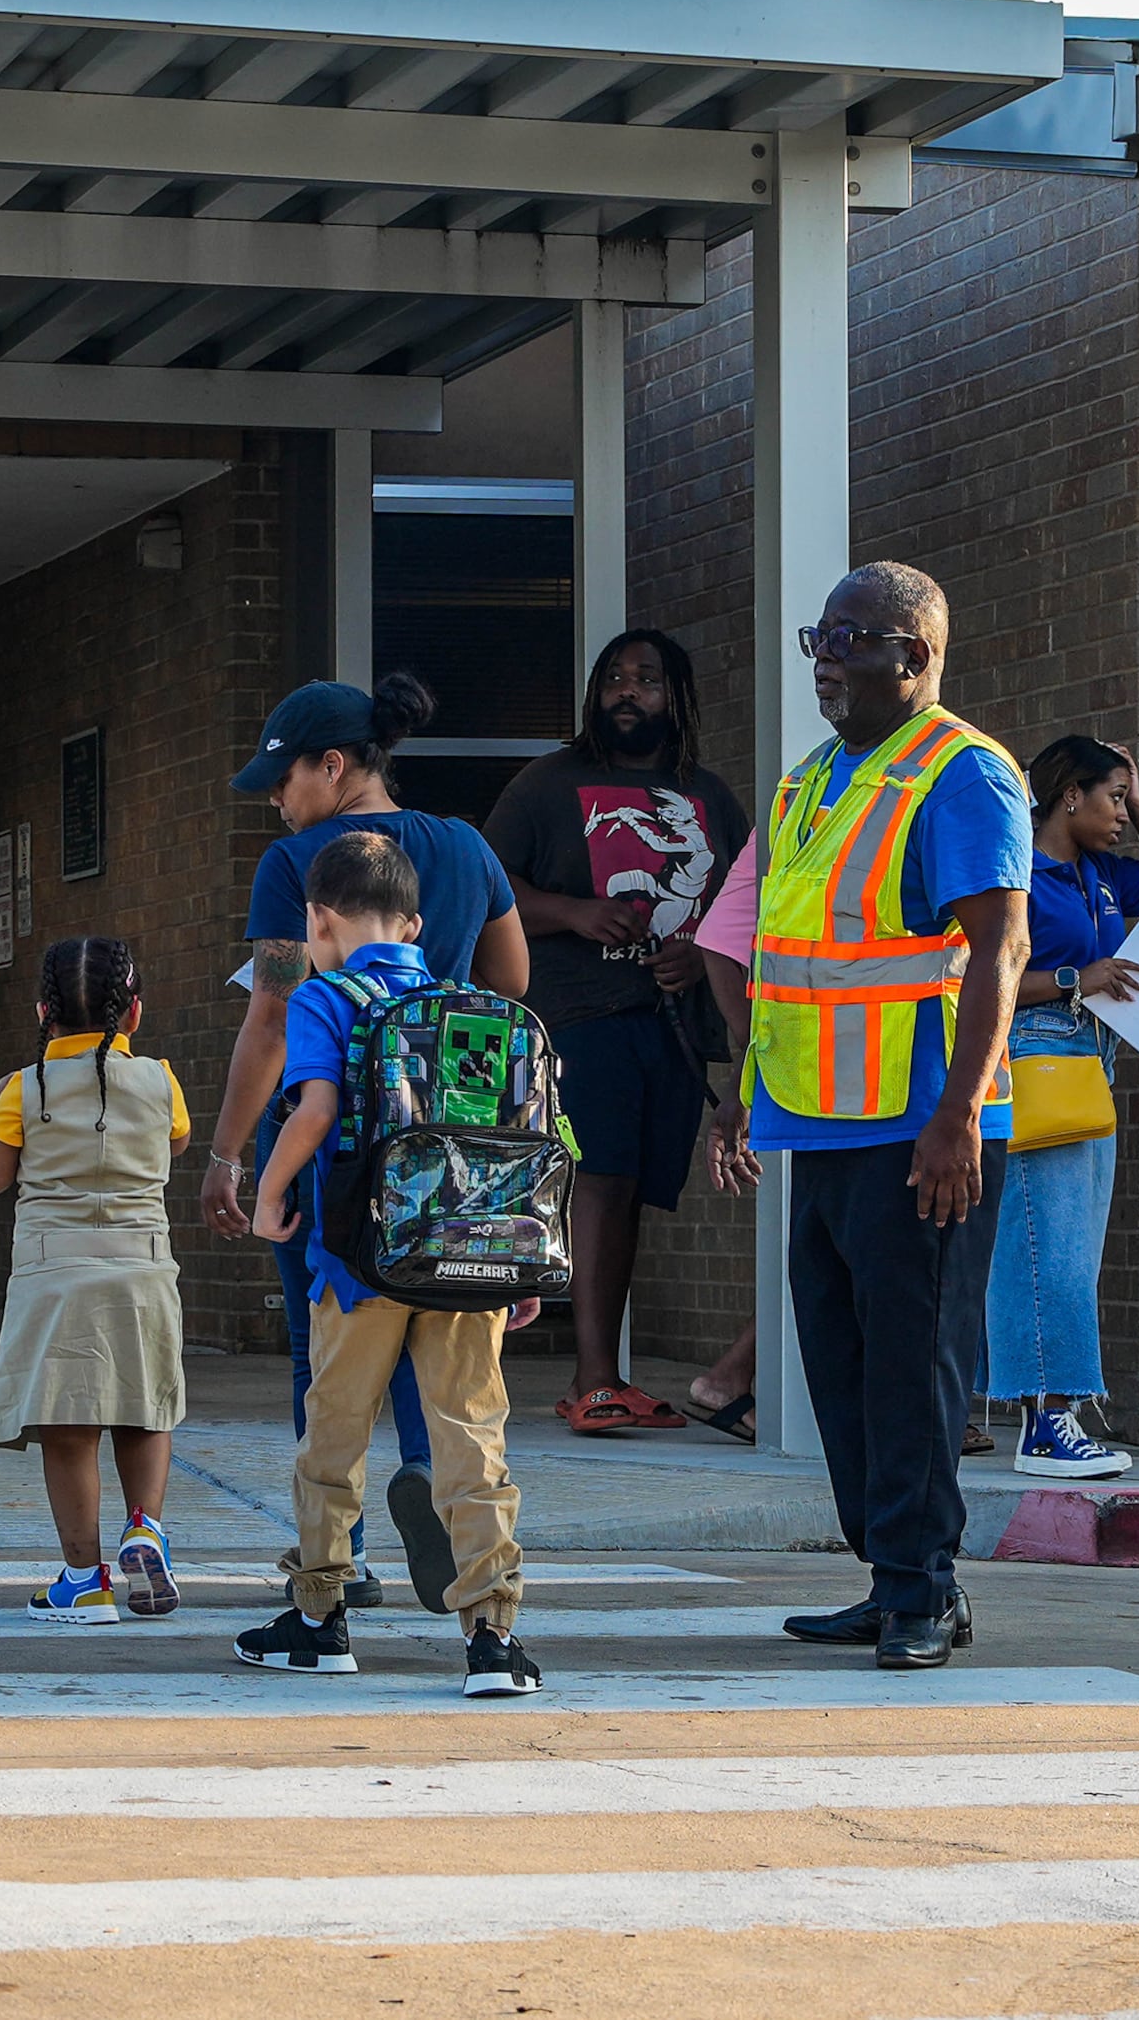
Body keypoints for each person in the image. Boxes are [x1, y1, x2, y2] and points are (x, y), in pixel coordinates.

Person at [728, 561, 1031, 1672]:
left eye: (852, 639)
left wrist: (957, 1115)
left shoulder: (964, 774)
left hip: (920, 1126)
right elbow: (782, 956)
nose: (826, 658)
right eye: (821, 634)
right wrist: (741, 1098)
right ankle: (886, 1571)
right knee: (842, 1364)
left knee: (915, 1364)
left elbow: (1001, 946)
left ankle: (924, 1588)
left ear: (915, 656)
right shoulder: (812, 779)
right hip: (817, 1117)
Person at [199, 673, 529, 1611]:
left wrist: (229, 1157)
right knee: (445, 1352)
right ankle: (438, 1497)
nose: (274, 798)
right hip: (448, 1158)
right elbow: (510, 981)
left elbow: (271, 1014)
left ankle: (333, 1558)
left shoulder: (300, 863)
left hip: (334, 1148)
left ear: (333, 765)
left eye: (280, 777)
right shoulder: (465, 848)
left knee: (328, 1359)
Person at [235, 831, 545, 1697]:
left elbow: (314, 1109)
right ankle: (491, 1637)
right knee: (472, 1441)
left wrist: (270, 1192)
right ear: (412, 924)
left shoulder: (322, 997)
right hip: (467, 1262)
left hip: (359, 1262)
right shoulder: (467, 1004)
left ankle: (319, 1617)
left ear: (318, 921)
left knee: (332, 1433)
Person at [484, 631, 752, 1436]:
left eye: (646, 680)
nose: (626, 692)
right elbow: (488, 885)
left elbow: (740, 904)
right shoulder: (548, 784)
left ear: (678, 697)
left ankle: (603, 1375)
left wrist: (694, 947)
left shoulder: (707, 794)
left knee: (629, 1189)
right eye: (613, 678)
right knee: (598, 1180)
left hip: (669, 1024)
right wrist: (572, 912)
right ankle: (593, 1379)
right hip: (575, 1013)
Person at [987, 737, 1139, 1479]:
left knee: (1070, 1245)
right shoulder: (1015, 871)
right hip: (1034, 1052)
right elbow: (984, 977)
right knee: (1045, 1248)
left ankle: (1055, 1412)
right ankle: (1046, 1422)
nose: (1119, 814)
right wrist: (1080, 975)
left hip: (1088, 1061)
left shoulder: (1101, 875)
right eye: (1111, 797)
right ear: (1068, 795)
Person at [0, 936, 193, 1622]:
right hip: (142, 1270)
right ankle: (145, 1528)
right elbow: (175, 1142)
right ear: (134, 1016)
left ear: (42, 1011)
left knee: (67, 1427)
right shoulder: (160, 1080)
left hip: (54, 1273)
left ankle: (83, 1579)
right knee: (144, 1409)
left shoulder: (24, 1088)